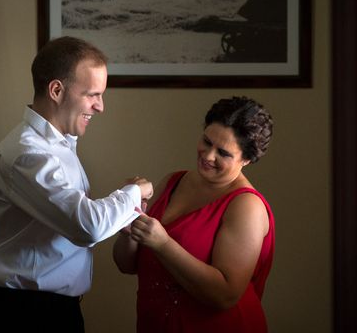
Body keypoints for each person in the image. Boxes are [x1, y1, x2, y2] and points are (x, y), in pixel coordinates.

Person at [0, 36, 154, 333]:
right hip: (25, 316)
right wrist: (135, 192)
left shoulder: (61, 145)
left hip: (53, 311)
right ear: (57, 90)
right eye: (93, 95)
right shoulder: (28, 154)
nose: (100, 107)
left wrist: (123, 213)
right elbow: (87, 227)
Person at [113, 96, 275, 332]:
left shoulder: (246, 206)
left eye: (223, 153)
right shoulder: (173, 181)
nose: (208, 156)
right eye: (206, 141)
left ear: (247, 159)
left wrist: (163, 244)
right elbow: (126, 265)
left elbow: (226, 295)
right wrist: (127, 225)